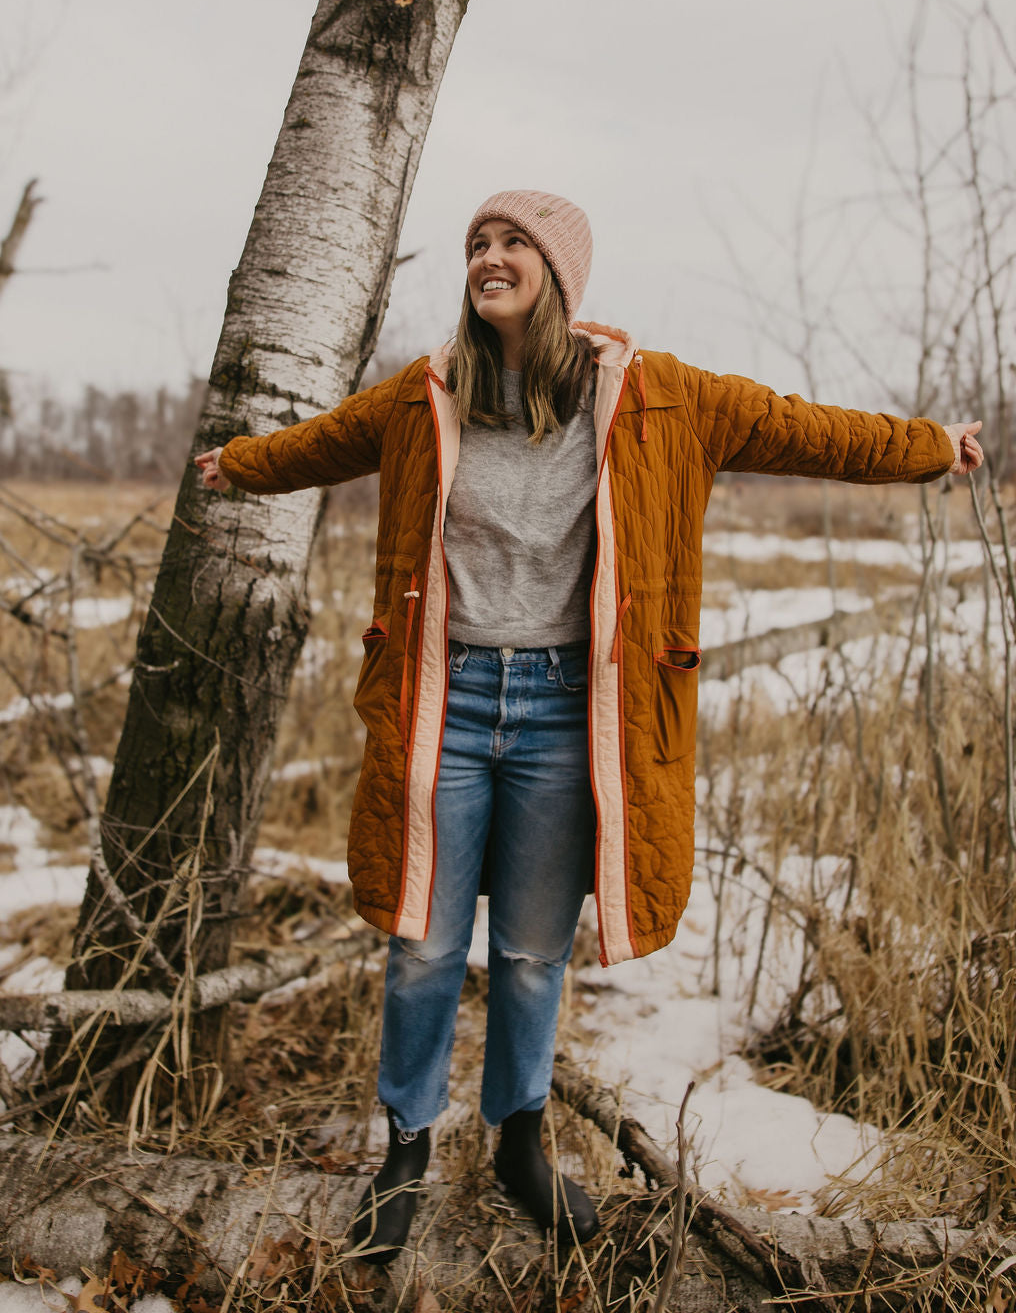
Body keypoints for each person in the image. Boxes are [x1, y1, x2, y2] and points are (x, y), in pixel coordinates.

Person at [196, 189, 984, 1261]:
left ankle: (519, 1142)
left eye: (512, 240)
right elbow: (322, 444)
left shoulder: (659, 397)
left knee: (527, 953)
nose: (488, 255)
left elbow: (806, 431)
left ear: (558, 270)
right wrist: (239, 463)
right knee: (423, 947)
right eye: (477, 242)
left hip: (575, 715)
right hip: (448, 702)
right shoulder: (425, 395)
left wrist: (930, 445)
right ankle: (405, 1150)